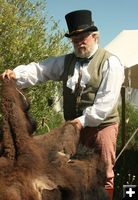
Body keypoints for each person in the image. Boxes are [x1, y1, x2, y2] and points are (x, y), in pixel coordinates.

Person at [1, 10, 124, 199]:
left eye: (83, 38)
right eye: (74, 39)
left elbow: (104, 105)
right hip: (72, 129)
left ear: (94, 36)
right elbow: (41, 70)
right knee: (74, 172)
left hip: (101, 127)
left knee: (104, 172)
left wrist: (81, 122)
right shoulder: (67, 61)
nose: (79, 42)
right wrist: (16, 74)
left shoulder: (110, 63)